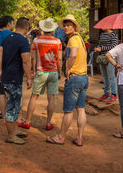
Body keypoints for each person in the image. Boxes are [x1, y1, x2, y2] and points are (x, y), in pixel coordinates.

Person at [46, 14, 88, 147]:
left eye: (69, 25)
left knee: (69, 111)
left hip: (75, 78)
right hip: (84, 78)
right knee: (80, 109)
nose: (66, 27)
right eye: (64, 25)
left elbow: (74, 54)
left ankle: (61, 137)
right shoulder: (79, 39)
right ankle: (79, 138)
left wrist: (68, 68)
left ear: (74, 26)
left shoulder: (73, 40)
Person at [18, 17, 62, 131]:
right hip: (53, 72)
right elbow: (60, 59)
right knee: (51, 98)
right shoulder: (58, 42)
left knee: (34, 97)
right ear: (52, 29)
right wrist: (60, 72)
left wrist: (33, 71)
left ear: (43, 28)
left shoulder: (37, 40)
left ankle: (27, 121)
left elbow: (32, 57)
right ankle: (48, 123)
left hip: (41, 71)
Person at [0, 17, 33, 145]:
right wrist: (29, 77)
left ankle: (14, 131)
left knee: (13, 105)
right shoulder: (23, 41)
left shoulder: (6, 39)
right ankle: (11, 136)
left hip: (6, 76)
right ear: (27, 28)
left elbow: (0, 55)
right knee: (13, 107)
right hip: (14, 78)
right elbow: (26, 60)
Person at [0, 16, 15, 119]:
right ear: (9, 24)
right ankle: (11, 117)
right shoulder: (14, 36)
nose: (13, 25)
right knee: (12, 93)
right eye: (13, 23)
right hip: (12, 68)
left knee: (1, 93)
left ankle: (4, 116)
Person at [95, 29, 119, 104]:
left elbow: (114, 46)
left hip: (111, 58)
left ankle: (114, 94)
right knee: (105, 76)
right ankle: (107, 93)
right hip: (102, 57)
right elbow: (100, 43)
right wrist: (97, 48)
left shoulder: (113, 35)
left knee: (111, 76)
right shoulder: (102, 34)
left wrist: (102, 48)